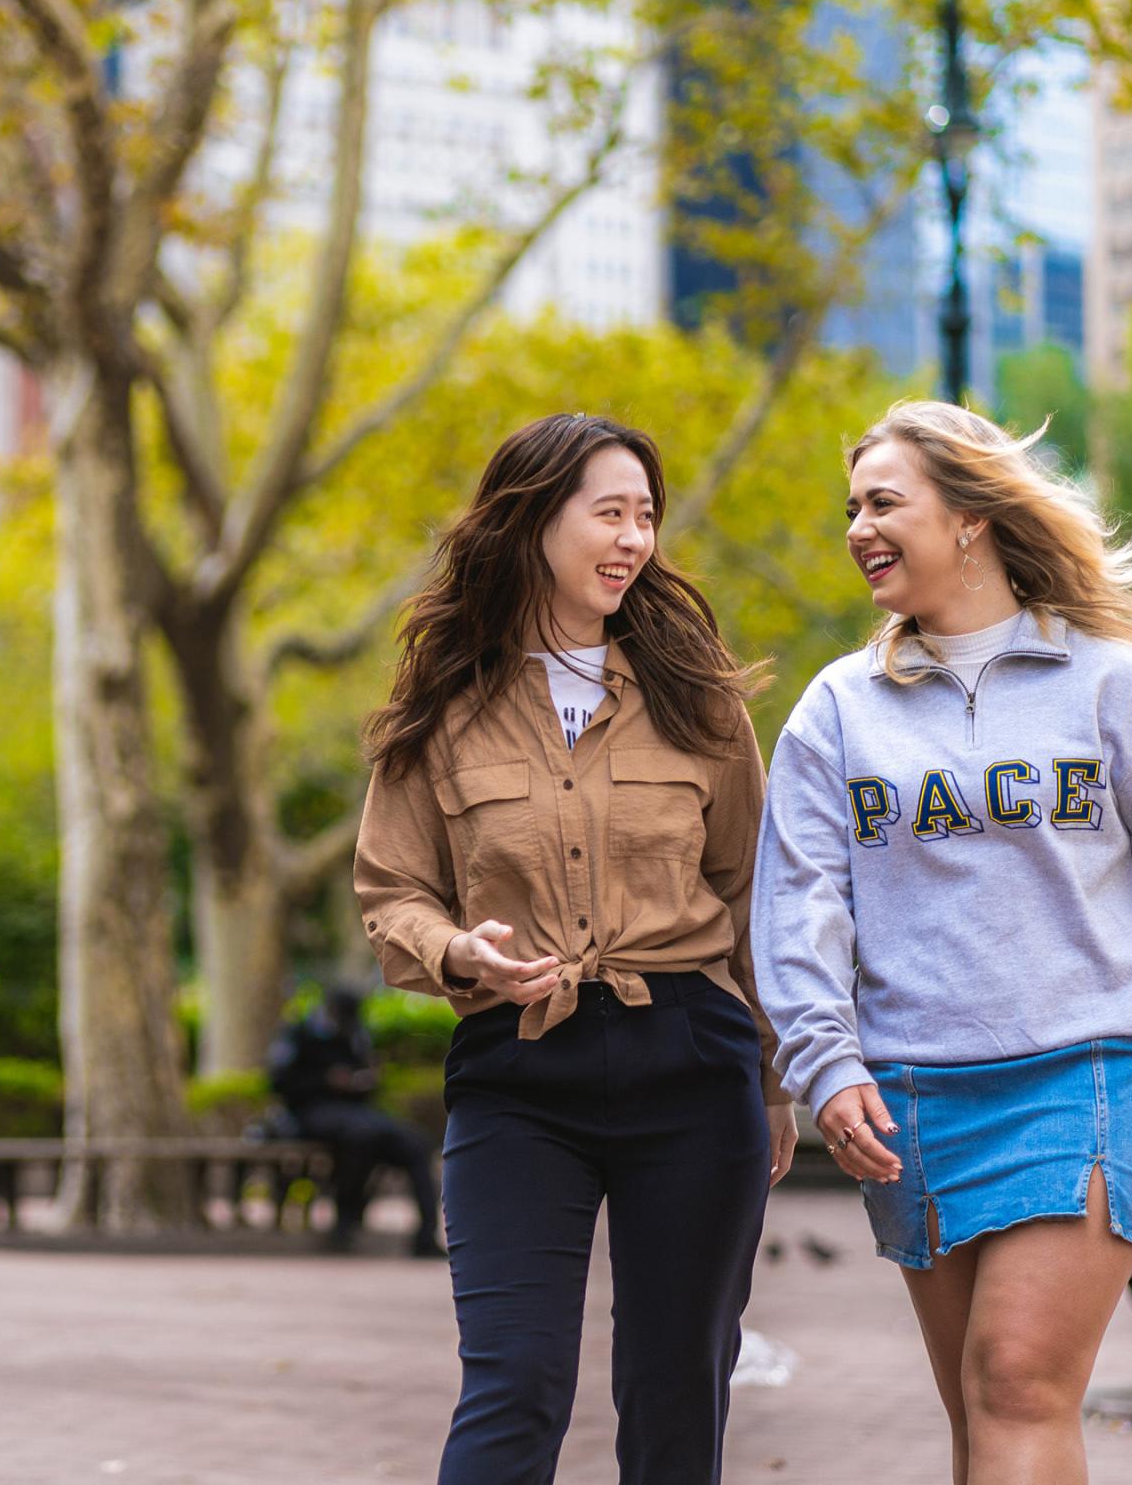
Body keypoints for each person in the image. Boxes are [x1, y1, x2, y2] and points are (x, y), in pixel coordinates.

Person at [751, 399, 1132, 1485]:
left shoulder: (1113, 682)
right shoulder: (837, 710)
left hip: (1087, 1070)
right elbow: (799, 909)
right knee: (981, 1411)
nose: (857, 528)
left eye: (883, 502)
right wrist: (822, 1064)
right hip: (911, 1093)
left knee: (1017, 1381)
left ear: (968, 514)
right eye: (850, 508)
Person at [354, 411, 797, 1485]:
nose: (634, 539)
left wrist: (779, 1078)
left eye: (645, 516)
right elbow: (391, 889)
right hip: (518, 1071)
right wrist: (461, 952)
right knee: (514, 1385)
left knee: (676, 1389)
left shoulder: (698, 703)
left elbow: (753, 897)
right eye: (609, 512)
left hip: (691, 1060)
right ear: (535, 520)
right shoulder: (441, 708)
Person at [265, 985, 443, 1257]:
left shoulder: (354, 1033)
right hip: (312, 1110)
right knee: (362, 1137)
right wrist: (327, 1080)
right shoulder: (300, 1033)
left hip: (358, 1112)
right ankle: (346, 1220)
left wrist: (364, 1081)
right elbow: (279, 1082)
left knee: (415, 1143)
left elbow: (370, 1076)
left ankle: (425, 1237)